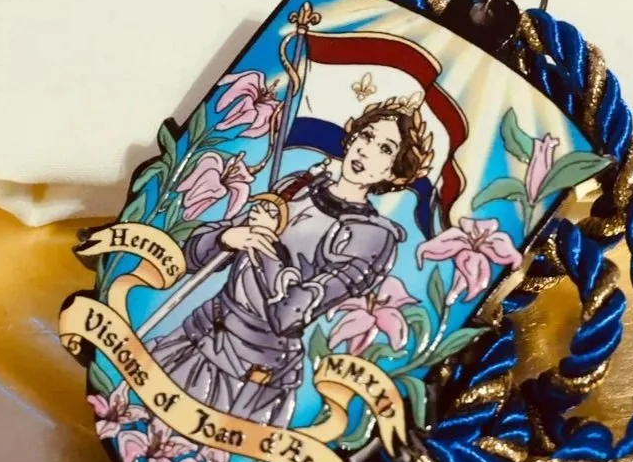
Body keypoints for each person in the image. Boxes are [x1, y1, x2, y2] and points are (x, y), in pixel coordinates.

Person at [148, 98, 434, 426]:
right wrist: (227, 238)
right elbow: (194, 255)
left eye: (385, 149)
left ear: (395, 173)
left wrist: (266, 245)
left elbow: (289, 315)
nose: (366, 151)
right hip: (195, 335)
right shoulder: (297, 186)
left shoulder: (372, 236)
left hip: (251, 375)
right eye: (367, 136)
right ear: (353, 135)